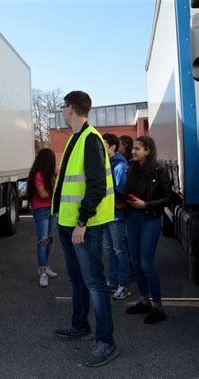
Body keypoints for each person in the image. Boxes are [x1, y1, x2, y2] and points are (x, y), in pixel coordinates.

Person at [52, 91, 118, 367]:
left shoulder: (90, 139)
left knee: (94, 283)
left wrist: (82, 222)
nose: (62, 111)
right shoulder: (75, 139)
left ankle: (107, 342)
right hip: (68, 222)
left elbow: (96, 187)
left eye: (63, 106)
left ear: (71, 109)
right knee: (78, 279)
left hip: (84, 225)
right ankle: (80, 326)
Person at [122, 136, 172, 324]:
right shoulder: (132, 169)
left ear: (148, 151)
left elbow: (169, 198)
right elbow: (127, 193)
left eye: (137, 149)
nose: (133, 151)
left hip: (150, 219)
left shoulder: (160, 170)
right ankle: (144, 301)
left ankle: (158, 307)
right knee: (135, 262)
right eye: (133, 148)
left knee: (146, 264)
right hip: (132, 219)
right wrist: (121, 202)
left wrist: (147, 204)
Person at [102, 133, 130, 300]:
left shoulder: (119, 167)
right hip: (107, 215)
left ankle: (124, 285)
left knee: (119, 250)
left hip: (116, 217)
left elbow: (121, 195)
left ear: (112, 147)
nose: (101, 148)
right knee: (110, 250)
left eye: (104, 145)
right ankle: (113, 282)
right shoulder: (108, 165)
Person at [27, 148, 58, 287]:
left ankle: (45, 266)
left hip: (51, 209)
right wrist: (56, 193)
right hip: (41, 210)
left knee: (49, 239)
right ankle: (43, 272)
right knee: (43, 240)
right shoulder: (38, 174)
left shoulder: (51, 174)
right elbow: (43, 194)